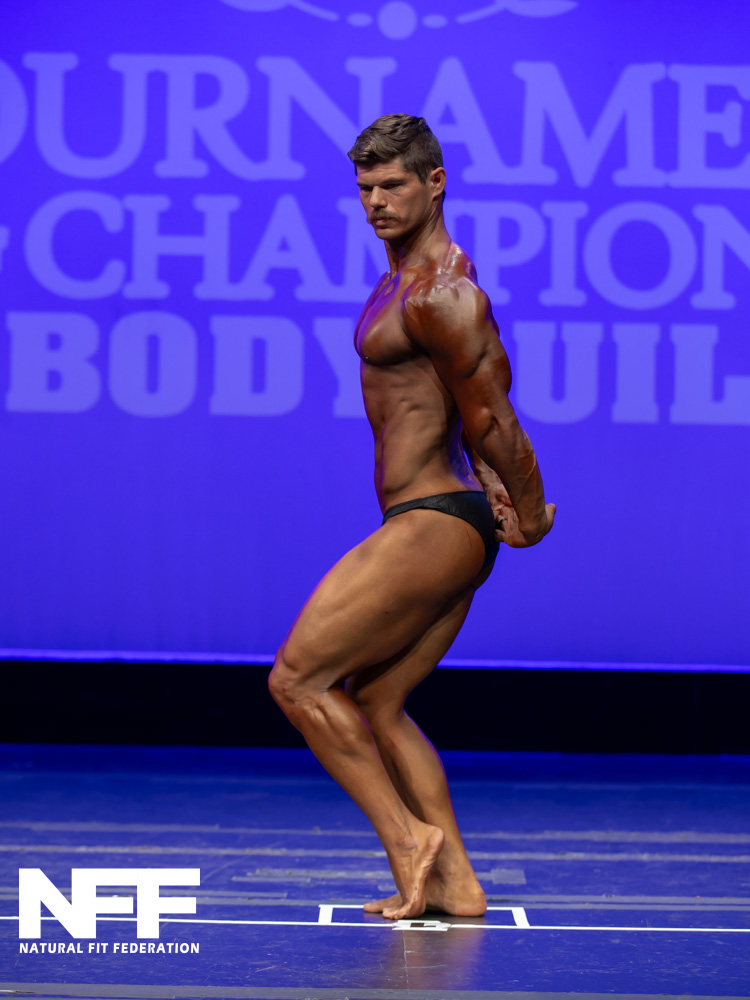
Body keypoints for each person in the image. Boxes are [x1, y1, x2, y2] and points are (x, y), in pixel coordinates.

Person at [268, 114, 555, 921]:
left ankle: (408, 841)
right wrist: (494, 495)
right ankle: (457, 884)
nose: (375, 201)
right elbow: (455, 409)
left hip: (434, 520)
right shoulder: (401, 282)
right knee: (377, 699)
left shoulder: (443, 292)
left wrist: (531, 509)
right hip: (444, 515)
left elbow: (491, 414)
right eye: (365, 187)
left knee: (297, 680)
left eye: (392, 184)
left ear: (435, 183)